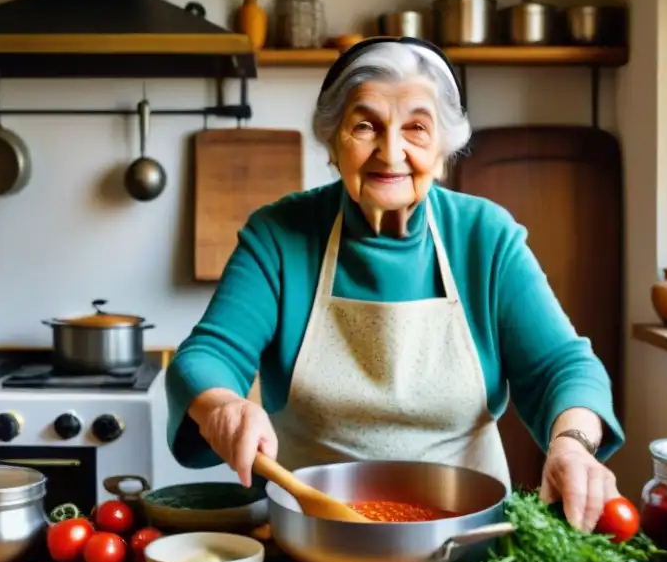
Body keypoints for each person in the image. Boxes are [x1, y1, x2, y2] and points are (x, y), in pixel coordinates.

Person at [166, 37, 624, 532]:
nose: (391, 152)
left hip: (465, 541)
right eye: (365, 126)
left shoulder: (486, 237)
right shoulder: (279, 235)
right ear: (332, 142)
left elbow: (564, 365)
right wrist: (225, 404)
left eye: (416, 129)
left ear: (444, 149)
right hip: (310, 534)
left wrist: (572, 445)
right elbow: (206, 354)